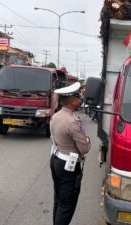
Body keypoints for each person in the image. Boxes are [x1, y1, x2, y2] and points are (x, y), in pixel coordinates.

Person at [49, 82, 91, 225]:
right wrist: (88, 139)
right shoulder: (73, 122)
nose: (80, 99)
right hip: (68, 166)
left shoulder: (56, 116)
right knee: (67, 204)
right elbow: (85, 148)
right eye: (78, 96)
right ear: (72, 101)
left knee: (59, 199)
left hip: (56, 159)